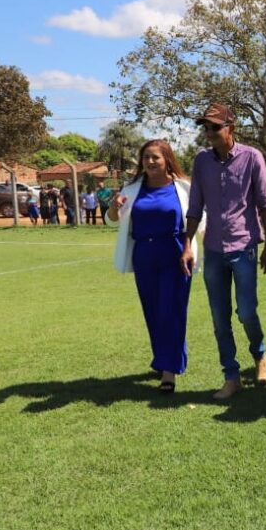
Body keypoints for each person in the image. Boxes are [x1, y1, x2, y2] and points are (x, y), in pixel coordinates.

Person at [182, 102, 266, 399]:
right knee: (219, 318)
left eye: (215, 127)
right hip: (213, 248)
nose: (209, 132)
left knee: (246, 312)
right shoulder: (202, 161)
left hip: (244, 246)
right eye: (206, 127)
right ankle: (231, 376)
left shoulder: (252, 157)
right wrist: (187, 245)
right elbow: (194, 206)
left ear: (230, 128)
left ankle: (260, 355)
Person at [107, 140, 196, 393]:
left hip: (176, 254)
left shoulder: (184, 187)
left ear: (167, 159)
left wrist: (191, 246)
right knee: (154, 311)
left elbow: (199, 219)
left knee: (172, 310)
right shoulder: (132, 188)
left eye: (155, 157)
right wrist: (113, 208)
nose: (150, 161)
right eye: (146, 157)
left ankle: (169, 371)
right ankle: (166, 357)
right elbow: (113, 221)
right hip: (144, 255)